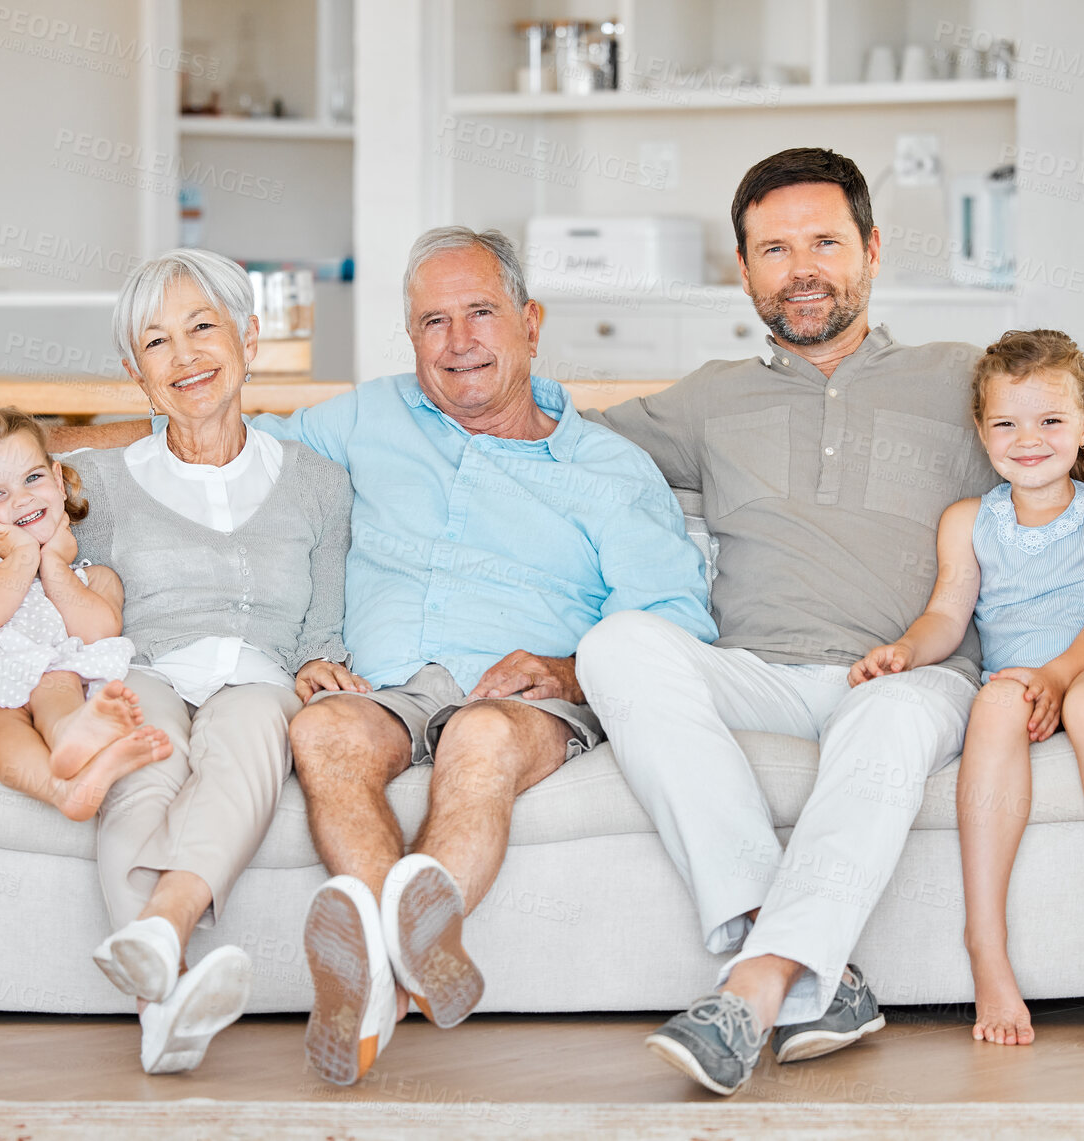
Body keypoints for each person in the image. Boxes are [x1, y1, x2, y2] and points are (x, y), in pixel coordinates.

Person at [574, 147, 1084, 1096]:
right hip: (754, 668)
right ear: (745, 268)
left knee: (885, 718)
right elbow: (567, 444)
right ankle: (805, 961)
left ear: (873, 251)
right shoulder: (707, 399)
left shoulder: (957, 379)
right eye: (774, 249)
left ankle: (754, 988)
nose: (801, 267)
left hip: (914, 674)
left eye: (825, 242)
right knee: (616, 646)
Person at [50, 227, 716, 1086]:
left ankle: (375, 984)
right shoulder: (366, 419)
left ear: (530, 320)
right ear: (410, 338)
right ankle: (406, 967)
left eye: (480, 313)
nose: (459, 341)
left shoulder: (609, 470)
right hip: (390, 685)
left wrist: (567, 669)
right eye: (433, 322)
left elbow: (676, 623)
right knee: (323, 732)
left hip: (525, 695)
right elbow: (215, 432)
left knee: (478, 739)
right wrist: (27, 463)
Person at [0, 249, 355, 1075]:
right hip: (141, 661)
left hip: (259, 675)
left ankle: (161, 931)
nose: (183, 357)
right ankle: (166, 1006)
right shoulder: (100, 482)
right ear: (134, 371)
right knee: (140, 770)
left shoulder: (320, 484)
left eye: (201, 328)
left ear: (248, 337)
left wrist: (319, 664)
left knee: (251, 737)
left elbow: (323, 622)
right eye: (156, 343)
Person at [849, 329, 1084, 1046]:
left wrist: (1060, 678)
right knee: (993, 700)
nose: (1027, 439)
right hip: (1021, 680)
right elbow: (946, 614)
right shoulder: (969, 521)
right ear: (982, 430)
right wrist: (904, 650)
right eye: (1006, 423)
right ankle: (987, 949)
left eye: (1050, 421)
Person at [0, 408, 171, 822]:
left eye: (32, 478)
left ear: (59, 482)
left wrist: (55, 564)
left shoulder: (94, 577)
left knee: (60, 682)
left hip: (51, 680)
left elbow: (97, 633)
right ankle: (62, 789)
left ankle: (70, 739)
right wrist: (24, 553)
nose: (21, 498)